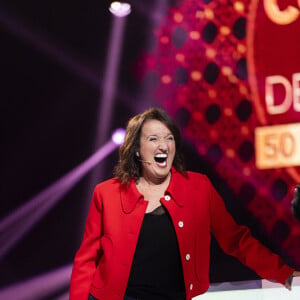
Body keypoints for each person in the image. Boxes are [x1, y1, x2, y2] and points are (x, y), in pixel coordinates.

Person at [70, 107, 300, 300]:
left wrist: (285, 274)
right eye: (154, 138)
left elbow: (236, 240)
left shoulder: (199, 188)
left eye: (169, 138)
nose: (164, 145)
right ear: (137, 151)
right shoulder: (106, 193)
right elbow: (86, 260)